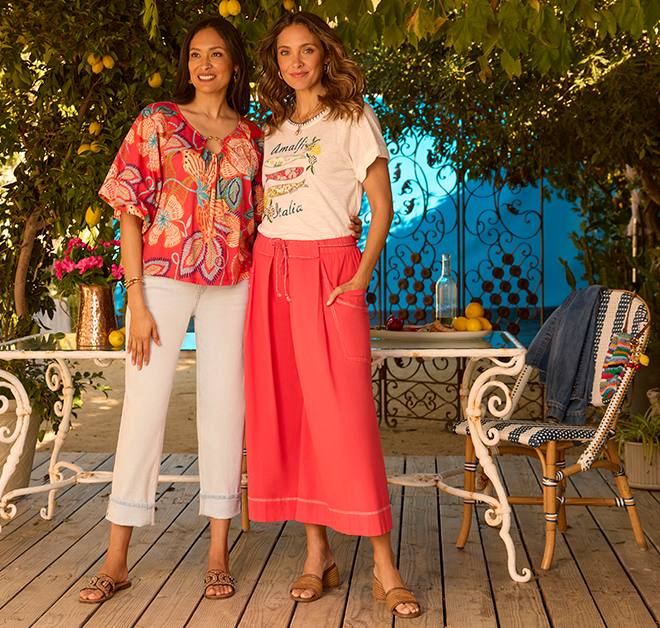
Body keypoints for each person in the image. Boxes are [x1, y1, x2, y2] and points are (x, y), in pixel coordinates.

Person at [244, 11, 421, 620]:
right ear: (276, 63)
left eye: (307, 50)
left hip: (331, 272)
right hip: (272, 269)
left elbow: (380, 205)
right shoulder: (270, 130)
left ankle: (383, 565)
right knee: (293, 414)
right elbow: (269, 205)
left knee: (344, 415)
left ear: (325, 56)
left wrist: (360, 273)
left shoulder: (352, 117)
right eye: (286, 53)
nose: (296, 62)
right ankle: (315, 553)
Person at [81, 16, 260, 603]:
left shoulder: (255, 137)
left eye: (215, 54)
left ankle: (216, 552)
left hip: (233, 283)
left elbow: (267, 220)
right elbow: (129, 208)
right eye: (194, 55)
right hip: (160, 281)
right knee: (143, 407)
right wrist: (133, 296)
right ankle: (116, 559)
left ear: (234, 63)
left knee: (224, 409)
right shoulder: (156, 121)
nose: (203, 64)